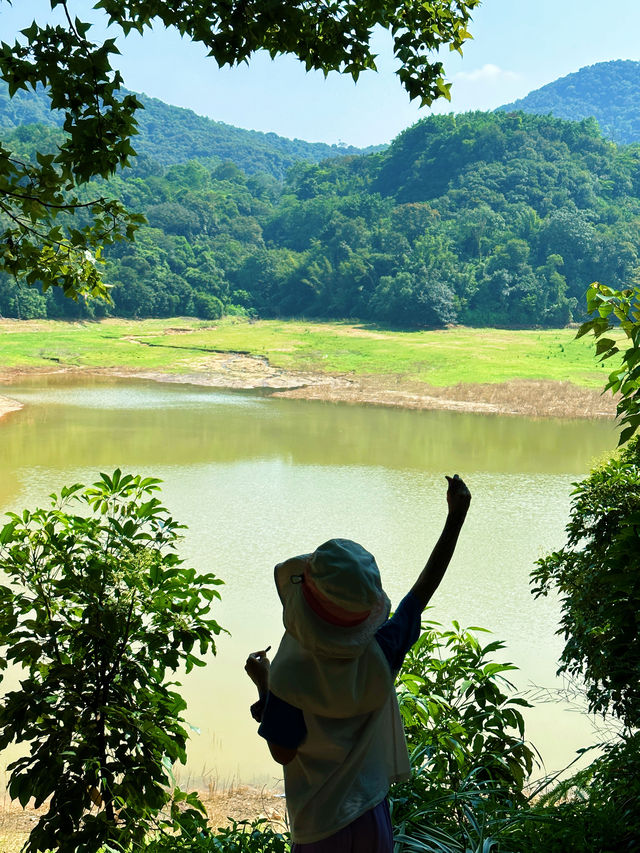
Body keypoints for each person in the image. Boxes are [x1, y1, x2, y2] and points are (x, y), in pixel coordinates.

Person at [245, 474, 471, 852]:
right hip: (370, 816)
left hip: (318, 827)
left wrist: (262, 684)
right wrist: (456, 517)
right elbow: (420, 593)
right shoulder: (382, 652)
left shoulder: (289, 672)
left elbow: (283, 751)